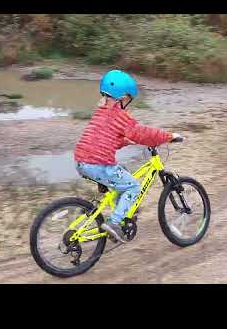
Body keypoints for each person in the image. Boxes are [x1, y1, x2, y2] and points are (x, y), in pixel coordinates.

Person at [74, 70, 181, 243]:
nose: (128, 103)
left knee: (121, 174)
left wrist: (125, 141)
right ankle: (114, 223)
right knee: (132, 187)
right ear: (123, 97)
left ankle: (122, 212)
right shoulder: (119, 116)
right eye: (128, 99)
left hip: (82, 161)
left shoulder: (100, 112)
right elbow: (142, 133)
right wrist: (168, 136)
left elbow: (104, 139)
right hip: (98, 164)